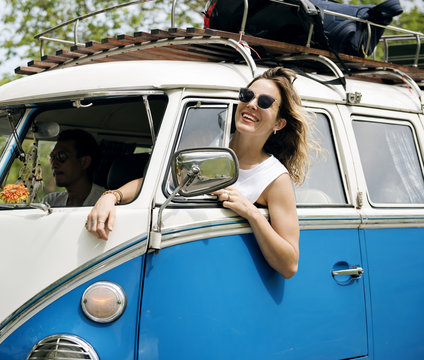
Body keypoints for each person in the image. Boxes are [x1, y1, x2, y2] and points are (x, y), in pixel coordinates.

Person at [86, 67, 313, 279]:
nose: (252, 104)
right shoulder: (207, 141)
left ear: (279, 124)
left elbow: (289, 264)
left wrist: (251, 213)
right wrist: (110, 197)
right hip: (173, 262)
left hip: (224, 274)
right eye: (246, 95)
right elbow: (156, 183)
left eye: (264, 102)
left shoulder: (274, 178)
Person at [43, 129, 106, 207]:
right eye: (52, 157)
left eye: (62, 156)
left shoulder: (104, 202)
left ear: (84, 162)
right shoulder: (51, 202)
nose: (54, 165)